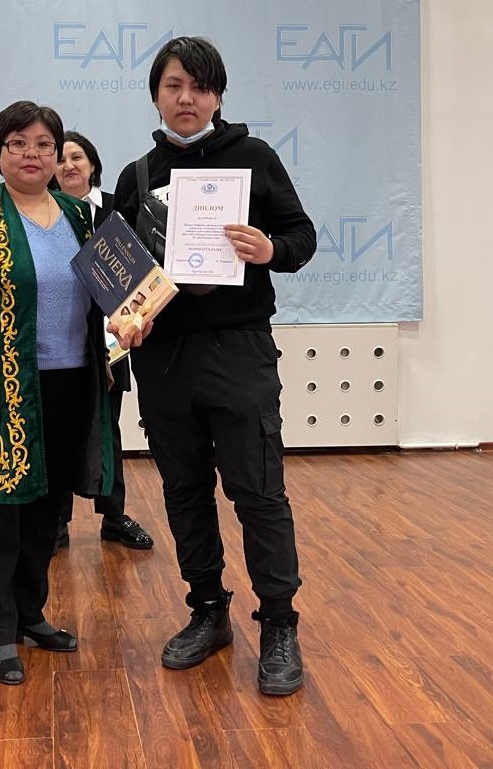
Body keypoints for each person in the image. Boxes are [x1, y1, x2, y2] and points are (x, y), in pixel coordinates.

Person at [114, 37, 316, 696]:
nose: (186, 98)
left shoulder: (253, 158)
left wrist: (269, 248)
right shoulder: (136, 175)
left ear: (218, 95)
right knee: (184, 491)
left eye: (199, 87)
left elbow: (302, 237)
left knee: (258, 491)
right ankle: (207, 610)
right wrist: (126, 316)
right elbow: (116, 276)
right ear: (155, 95)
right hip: (163, 360)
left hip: (238, 349)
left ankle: (279, 623)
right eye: (173, 85)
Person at [0, 101, 146, 686]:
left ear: (58, 154)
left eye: (44, 145)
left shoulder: (82, 215)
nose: (32, 154)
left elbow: (121, 292)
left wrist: (135, 318)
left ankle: (30, 615)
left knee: (47, 510)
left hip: (71, 382)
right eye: (19, 143)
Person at [52, 130, 154, 553]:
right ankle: (56, 522)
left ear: (92, 164)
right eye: (61, 159)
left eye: (77, 157)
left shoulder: (116, 208)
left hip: (112, 337)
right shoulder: (45, 212)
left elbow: (140, 274)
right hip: (61, 337)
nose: (68, 166)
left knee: (108, 429)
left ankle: (114, 517)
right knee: (58, 431)